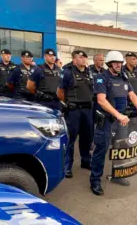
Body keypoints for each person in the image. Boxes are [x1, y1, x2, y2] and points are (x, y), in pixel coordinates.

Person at [90, 51, 137, 196]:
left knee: (121, 148)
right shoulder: (102, 78)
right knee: (101, 150)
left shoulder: (124, 77)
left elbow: (132, 95)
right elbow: (101, 100)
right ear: (109, 64)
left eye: (120, 63)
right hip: (107, 120)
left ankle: (118, 175)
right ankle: (95, 180)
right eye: (116, 63)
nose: (119, 65)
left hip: (122, 120)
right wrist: (118, 115)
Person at [57, 50, 94, 178]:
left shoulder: (89, 72)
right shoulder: (68, 72)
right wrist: (67, 103)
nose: (83, 59)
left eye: (85, 56)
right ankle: (67, 166)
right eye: (80, 57)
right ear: (74, 59)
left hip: (87, 110)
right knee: (71, 139)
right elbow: (60, 92)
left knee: (86, 138)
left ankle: (85, 161)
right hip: (74, 111)